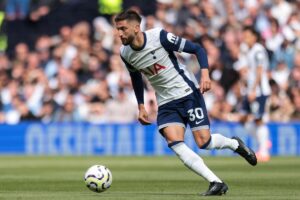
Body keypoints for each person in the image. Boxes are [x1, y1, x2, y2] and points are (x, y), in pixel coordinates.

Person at [115, 10, 257, 196]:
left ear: (136, 27)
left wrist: (205, 74)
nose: (119, 33)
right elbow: (135, 77)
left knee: (204, 142)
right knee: (174, 142)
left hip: (187, 92)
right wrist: (141, 106)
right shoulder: (125, 53)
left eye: (123, 28)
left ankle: (234, 144)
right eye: (117, 29)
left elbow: (198, 49)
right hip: (165, 102)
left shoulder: (159, 37)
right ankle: (216, 182)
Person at [240, 26, 272, 162]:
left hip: (260, 91)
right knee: (243, 118)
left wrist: (253, 90)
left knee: (258, 119)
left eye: (247, 36)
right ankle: (264, 142)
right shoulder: (250, 51)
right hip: (251, 90)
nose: (245, 38)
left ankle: (264, 150)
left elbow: (260, 71)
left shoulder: (258, 50)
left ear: (254, 36)